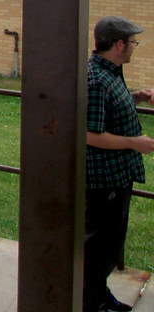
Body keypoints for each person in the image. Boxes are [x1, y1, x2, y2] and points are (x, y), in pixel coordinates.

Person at [85, 16, 154, 312]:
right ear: (119, 44)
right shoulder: (97, 79)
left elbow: (108, 109)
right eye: (133, 42)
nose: (134, 48)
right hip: (104, 181)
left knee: (109, 246)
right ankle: (90, 304)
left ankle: (100, 297)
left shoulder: (110, 72)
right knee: (98, 249)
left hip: (117, 176)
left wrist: (135, 97)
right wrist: (135, 143)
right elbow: (89, 134)